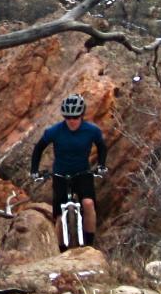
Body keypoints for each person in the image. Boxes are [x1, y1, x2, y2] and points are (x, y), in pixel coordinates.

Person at [30, 93, 108, 249]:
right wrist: (34, 171)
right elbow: (38, 149)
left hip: (82, 173)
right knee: (59, 215)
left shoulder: (91, 130)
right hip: (60, 174)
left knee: (88, 203)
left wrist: (101, 165)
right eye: (68, 117)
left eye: (75, 117)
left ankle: (89, 244)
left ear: (81, 115)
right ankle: (62, 249)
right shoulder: (54, 131)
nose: (72, 121)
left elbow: (101, 146)